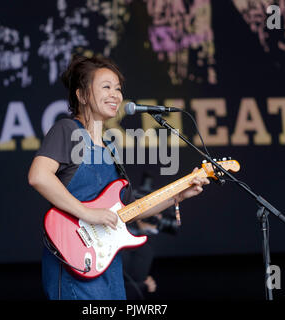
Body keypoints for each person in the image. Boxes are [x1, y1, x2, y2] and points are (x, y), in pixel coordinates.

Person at [27, 54, 210, 300]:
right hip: (73, 257)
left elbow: (129, 210)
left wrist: (179, 194)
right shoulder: (67, 129)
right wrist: (87, 212)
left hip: (107, 263)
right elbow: (38, 176)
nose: (116, 94)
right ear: (81, 96)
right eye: (106, 87)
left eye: (118, 89)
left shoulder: (110, 148)